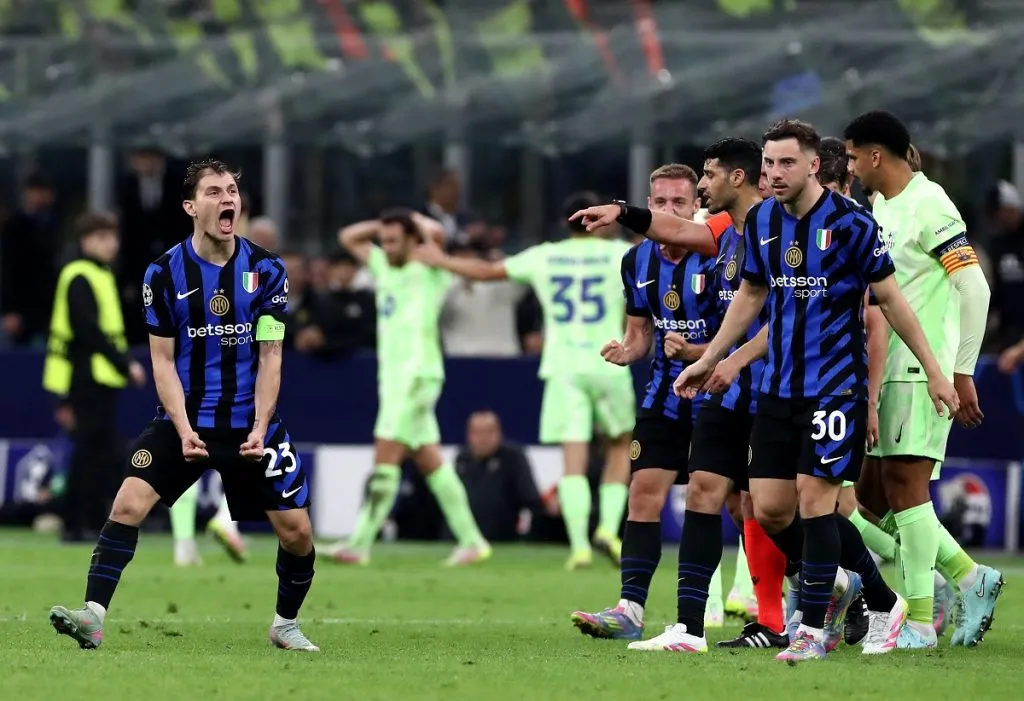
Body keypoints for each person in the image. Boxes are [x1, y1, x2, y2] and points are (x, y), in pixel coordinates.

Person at [49, 160, 319, 652]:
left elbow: (271, 354)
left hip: (250, 424)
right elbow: (162, 360)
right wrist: (182, 425)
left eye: (233, 189)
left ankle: (284, 623)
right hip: (186, 420)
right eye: (214, 191)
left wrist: (260, 426)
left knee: (297, 532)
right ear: (191, 207)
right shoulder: (163, 273)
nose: (228, 198)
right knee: (128, 503)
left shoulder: (267, 269)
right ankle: (92, 615)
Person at [414, 190, 638, 570]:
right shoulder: (621, 254)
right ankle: (607, 530)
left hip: (563, 366)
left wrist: (439, 259)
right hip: (609, 360)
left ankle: (579, 545)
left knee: (573, 456)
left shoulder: (545, 256)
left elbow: (485, 273)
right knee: (619, 447)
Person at [844, 110, 1002, 648]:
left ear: (874, 155)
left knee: (906, 491)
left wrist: (961, 370)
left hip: (921, 369)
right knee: (864, 500)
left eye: (850, 155)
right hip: (886, 369)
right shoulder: (881, 205)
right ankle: (966, 576)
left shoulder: (930, 202)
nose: (848, 165)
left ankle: (916, 622)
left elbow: (974, 288)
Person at [565, 163, 732, 639]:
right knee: (642, 494)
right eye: (660, 202)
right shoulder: (635, 262)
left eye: (679, 202)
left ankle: (822, 590)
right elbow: (640, 334)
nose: (668, 211)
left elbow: (743, 333)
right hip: (664, 395)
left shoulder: (720, 250)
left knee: (749, 506)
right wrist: (627, 350)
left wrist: (697, 351)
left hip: (719, 394)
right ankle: (630, 611)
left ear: (695, 206)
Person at [330, 209, 489, 566]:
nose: (385, 247)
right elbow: (347, 237)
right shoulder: (382, 266)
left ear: (410, 241)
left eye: (392, 241)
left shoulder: (428, 268)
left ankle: (359, 543)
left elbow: (435, 233)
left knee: (385, 452)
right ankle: (472, 540)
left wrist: (412, 220)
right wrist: (384, 222)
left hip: (418, 375)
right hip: (393, 377)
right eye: (383, 241)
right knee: (430, 460)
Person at [42, 212, 147, 542]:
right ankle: (75, 522)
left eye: (112, 237)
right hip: (85, 375)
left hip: (99, 376)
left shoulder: (100, 274)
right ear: (86, 241)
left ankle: (89, 519)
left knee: (98, 449)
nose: (110, 244)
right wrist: (124, 363)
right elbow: (88, 330)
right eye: (102, 238)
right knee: (89, 450)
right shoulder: (80, 276)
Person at [454, 410, 547, 543]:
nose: (483, 439)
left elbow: (531, 499)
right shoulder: (462, 460)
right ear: (469, 435)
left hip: (503, 539)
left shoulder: (513, 458)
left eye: (488, 432)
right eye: (477, 432)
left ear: (499, 433)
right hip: (463, 538)